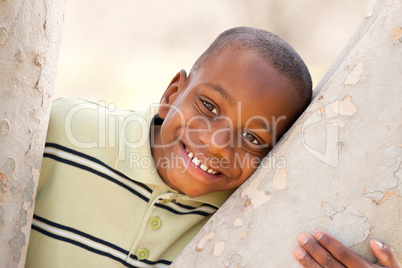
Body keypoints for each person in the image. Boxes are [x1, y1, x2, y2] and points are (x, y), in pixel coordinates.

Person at [26, 27, 400, 267]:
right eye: (209, 107)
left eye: (254, 138)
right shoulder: (61, 132)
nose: (218, 144)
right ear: (173, 92)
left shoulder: (251, 220)